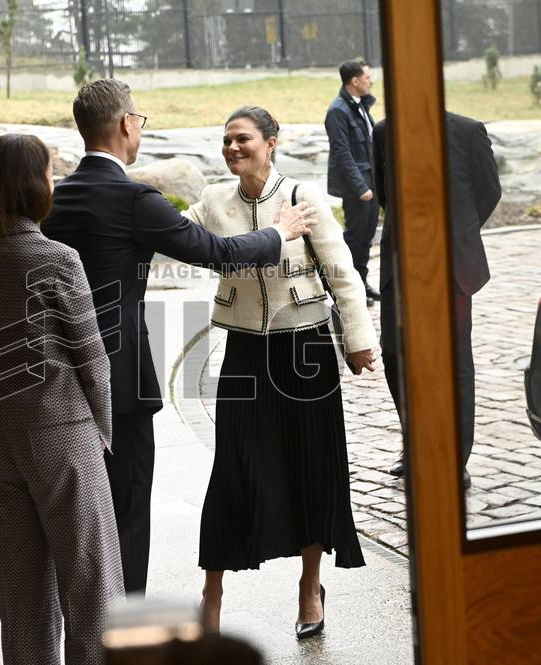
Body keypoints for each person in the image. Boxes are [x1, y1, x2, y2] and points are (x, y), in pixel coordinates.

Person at [42, 80, 318, 595]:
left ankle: (81, 630)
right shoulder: (133, 198)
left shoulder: (56, 197)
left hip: (59, 378)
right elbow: (213, 251)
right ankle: (123, 633)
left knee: (77, 517)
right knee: (125, 513)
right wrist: (279, 233)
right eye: (138, 120)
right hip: (120, 382)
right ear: (127, 125)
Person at [182, 106, 378, 639]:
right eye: (225, 141)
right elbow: (178, 240)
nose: (232, 148)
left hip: (307, 351)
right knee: (233, 469)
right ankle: (212, 591)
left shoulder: (303, 197)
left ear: (272, 142)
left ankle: (309, 585)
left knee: (310, 467)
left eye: (242, 138)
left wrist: (358, 341)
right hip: (245, 352)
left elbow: (343, 272)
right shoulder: (212, 203)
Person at [0, 134, 123, 665]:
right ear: (31, 185)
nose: (53, 180)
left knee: (21, 597)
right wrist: (103, 432)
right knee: (93, 589)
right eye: (49, 171)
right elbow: (91, 358)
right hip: (62, 434)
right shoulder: (56, 258)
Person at [374, 113, 502, 489]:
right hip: (400, 265)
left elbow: (489, 191)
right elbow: (383, 191)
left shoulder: (468, 131)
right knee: (394, 354)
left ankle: (453, 456)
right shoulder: (383, 131)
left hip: (452, 268)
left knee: (454, 361)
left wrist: (458, 230)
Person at [325, 59, 381, 305]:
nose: (371, 81)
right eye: (367, 77)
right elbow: (342, 153)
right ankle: (345, 288)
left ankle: (361, 282)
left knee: (366, 236)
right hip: (358, 187)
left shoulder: (361, 106)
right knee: (355, 237)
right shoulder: (338, 111)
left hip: (371, 182)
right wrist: (361, 188)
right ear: (354, 81)